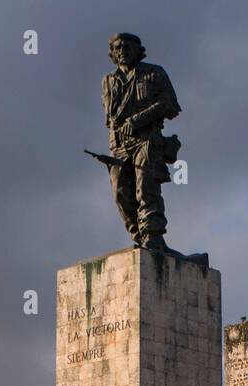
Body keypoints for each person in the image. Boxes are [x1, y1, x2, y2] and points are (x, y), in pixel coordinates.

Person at [101, 33, 181, 250]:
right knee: (120, 193)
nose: (122, 51)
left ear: (138, 50)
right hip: (119, 146)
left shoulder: (154, 73)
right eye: (117, 48)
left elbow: (171, 105)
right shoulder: (108, 81)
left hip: (146, 140)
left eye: (127, 46)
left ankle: (153, 237)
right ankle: (138, 236)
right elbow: (109, 119)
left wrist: (137, 120)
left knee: (146, 189)